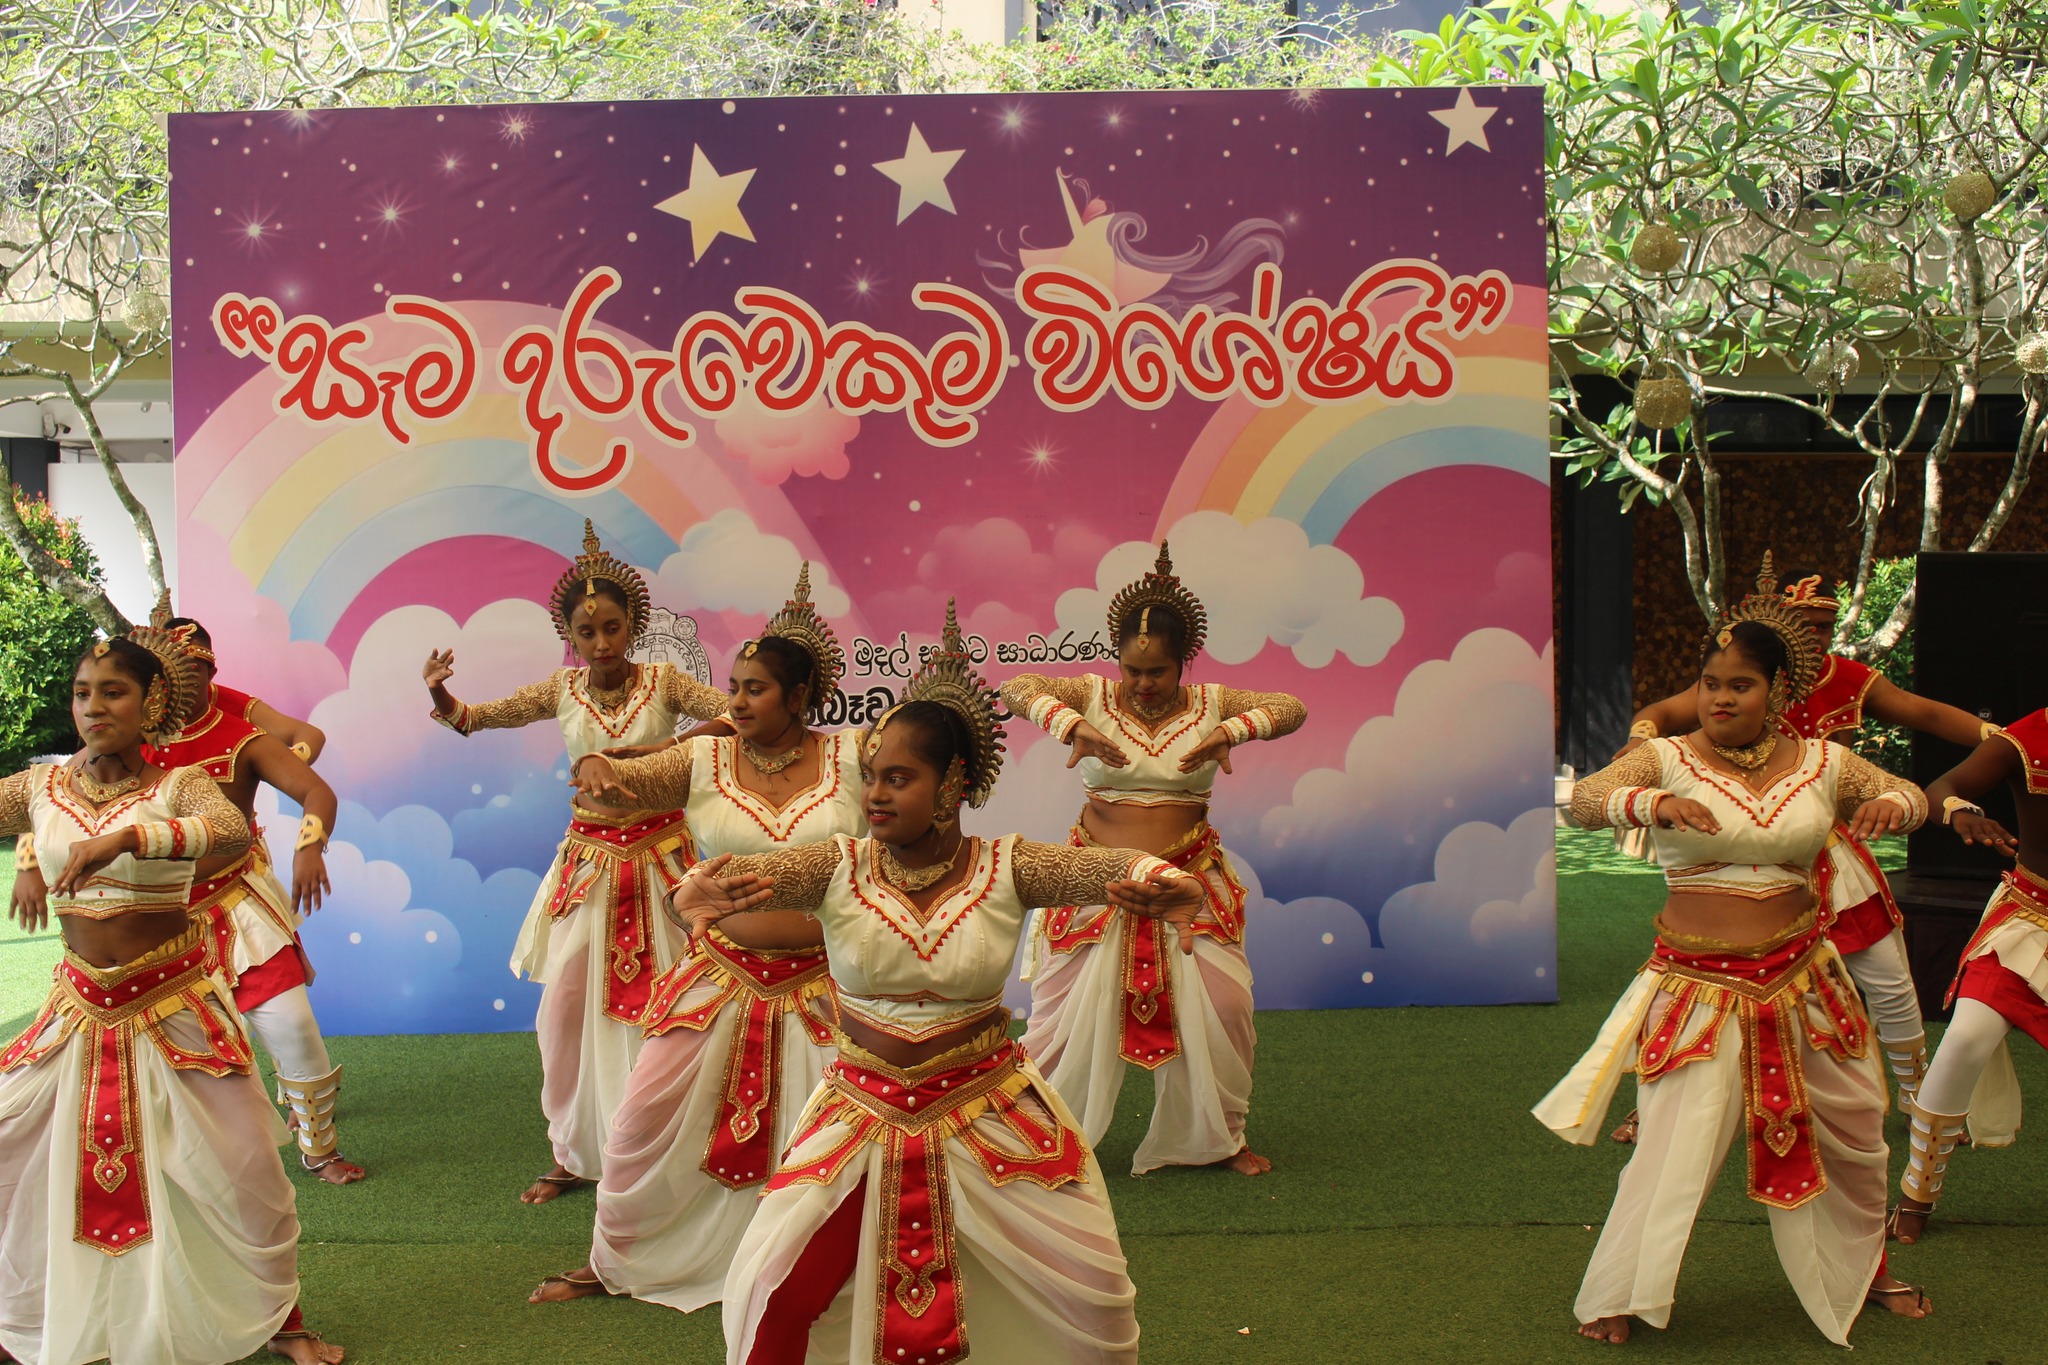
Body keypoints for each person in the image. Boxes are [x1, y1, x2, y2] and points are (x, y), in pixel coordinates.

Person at [667, 603, 1206, 1364]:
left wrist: (1157, 873)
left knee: (1092, 1300)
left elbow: (1100, 867)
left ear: (952, 784)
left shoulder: (1007, 866)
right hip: (860, 1112)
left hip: (989, 1110)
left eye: (898, 778)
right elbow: (740, 879)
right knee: (772, 1292)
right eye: (870, 778)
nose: (876, 796)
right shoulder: (837, 865)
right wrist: (688, 895)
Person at [1540, 584, 1933, 1346]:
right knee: (1672, 1148)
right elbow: (1584, 800)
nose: (1720, 698)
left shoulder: (1824, 762)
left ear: (1778, 690)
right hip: (1700, 987)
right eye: (1710, 683)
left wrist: (1902, 808)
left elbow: (1905, 791)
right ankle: (1619, 1290)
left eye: (1740, 684)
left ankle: (1866, 1270)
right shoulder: (1667, 757)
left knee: (1854, 1133)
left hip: (1807, 979)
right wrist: (1650, 806)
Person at [529, 564, 865, 1309]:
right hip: (718, 976)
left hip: (827, 984)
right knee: (641, 1127)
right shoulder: (706, 758)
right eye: (734, 687)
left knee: (838, 1144)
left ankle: (811, 1272)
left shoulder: (853, 759)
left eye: (755, 689)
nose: (736, 700)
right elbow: (626, 771)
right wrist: (598, 764)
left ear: (799, 697)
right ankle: (618, 1261)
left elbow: (918, 794)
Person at [0, 629, 340, 1365]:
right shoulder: (39, 787)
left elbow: (227, 831)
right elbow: (18, 818)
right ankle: (21, 1320)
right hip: (77, 1009)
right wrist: (31, 859)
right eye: (82, 693)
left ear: (151, 701)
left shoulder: (178, 784)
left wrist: (128, 839)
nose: (94, 707)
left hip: (174, 1005)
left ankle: (283, 1320)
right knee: (11, 1151)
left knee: (248, 1171)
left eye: (113, 692)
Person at [422, 520, 729, 1203]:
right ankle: (572, 1149)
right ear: (571, 636)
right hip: (589, 869)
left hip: (663, 866)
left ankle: (662, 1145)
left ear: (633, 626)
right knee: (563, 1012)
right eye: (587, 633)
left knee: (674, 1005)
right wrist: (440, 692)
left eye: (612, 628)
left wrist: (660, 754)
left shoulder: (665, 682)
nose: (602, 643)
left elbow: (738, 716)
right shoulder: (562, 689)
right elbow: (475, 717)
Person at [1620, 558, 1993, 1112]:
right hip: (1746, 856)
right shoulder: (1737, 683)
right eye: (1806, 625)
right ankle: (1659, 1103)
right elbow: (1661, 714)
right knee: (1701, 979)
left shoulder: (1846, 677)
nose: (1817, 636)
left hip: (1833, 856)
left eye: (1824, 625)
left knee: (1889, 982)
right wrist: (1640, 740)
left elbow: (1925, 714)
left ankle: (1920, 1098)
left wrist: (2002, 739)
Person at [999, 543, 1304, 1176]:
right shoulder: (1090, 695)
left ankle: (1218, 1139)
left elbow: (1290, 708)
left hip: (1190, 879)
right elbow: (1015, 686)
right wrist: (1069, 725)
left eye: (1158, 671)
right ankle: (1037, 1134)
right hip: (1097, 880)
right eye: (1132, 669)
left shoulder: (1212, 703)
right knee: (1058, 1017)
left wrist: (1232, 731)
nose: (1142, 683)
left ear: (1183, 662)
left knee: (1225, 1010)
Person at [136, 611, 360, 1184]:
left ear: (209, 671)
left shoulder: (240, 732)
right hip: (157, 917)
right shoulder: (124, 745)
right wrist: (31, 862)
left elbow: (313, 782)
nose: (178, 684)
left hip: (237, 900)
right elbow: (46, 799)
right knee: (163, 1048)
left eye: (191, 670)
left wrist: (308, 844)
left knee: (292, 1024)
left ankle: (319, 1148)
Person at [1887, 708, 2048, 1243]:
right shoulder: (2029, 736)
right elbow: (1943, 788)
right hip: (2029, 921)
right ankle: (1916, 1194)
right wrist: (1959, 811)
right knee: (1965, 1038)